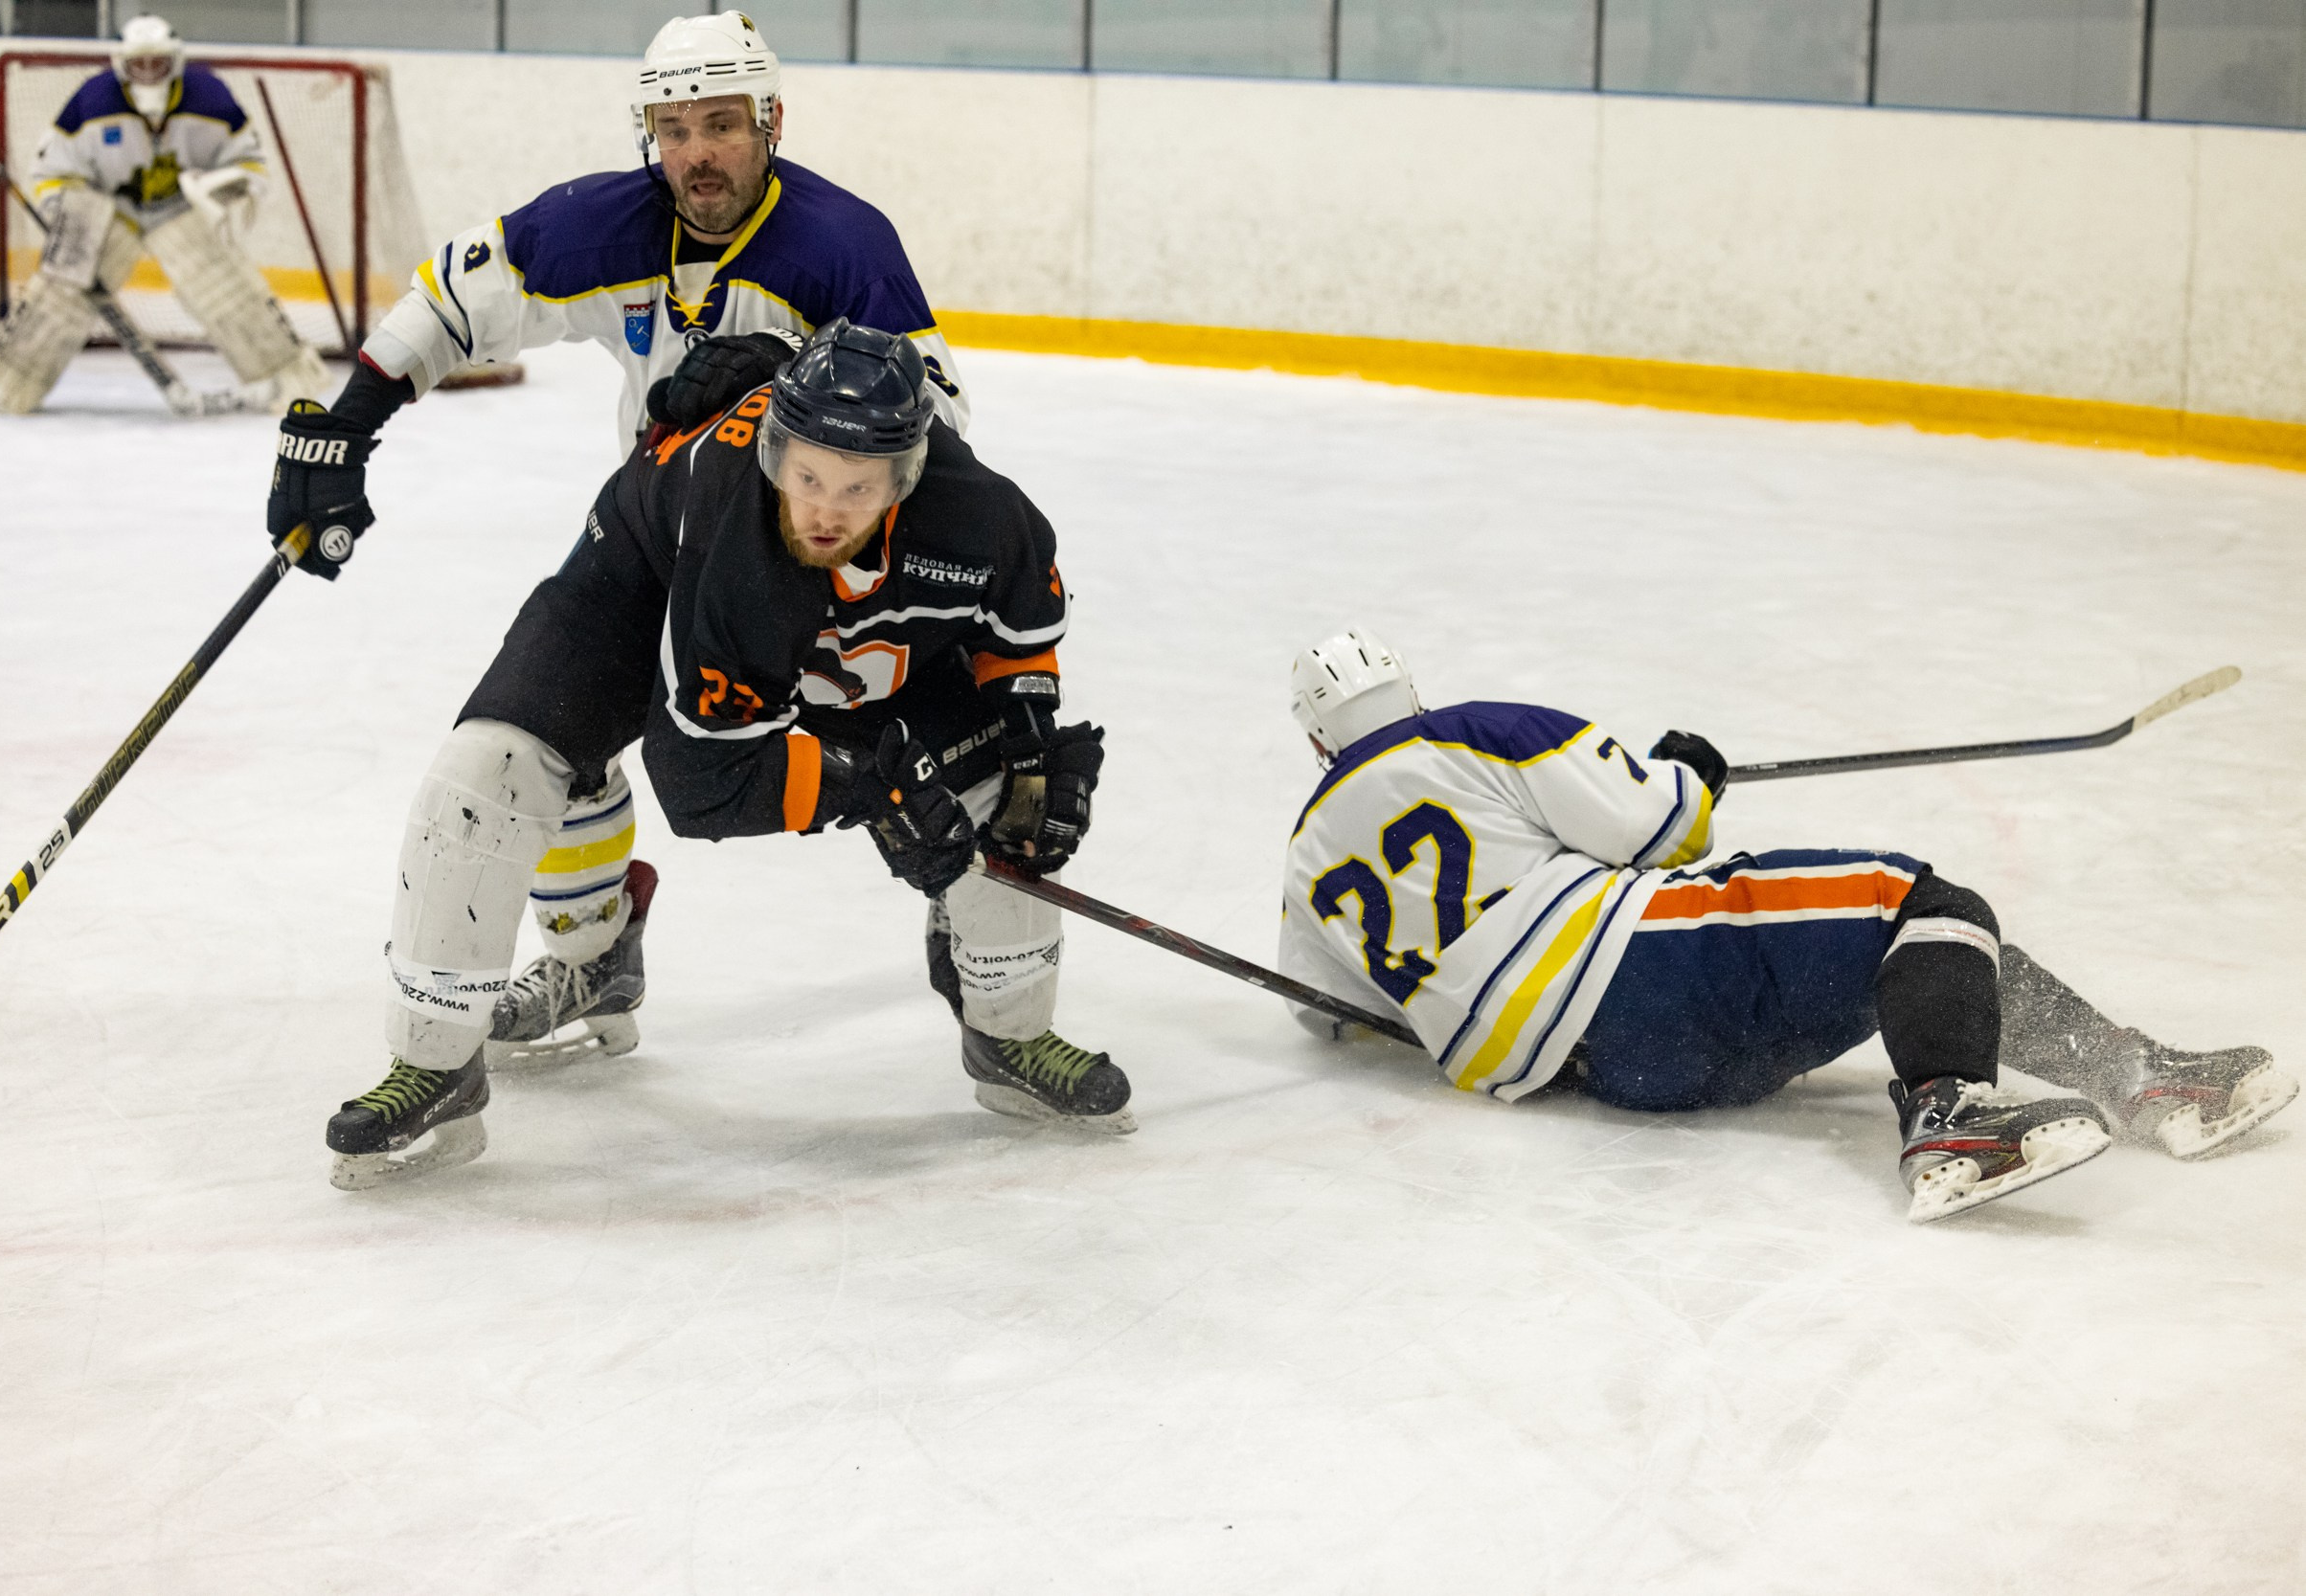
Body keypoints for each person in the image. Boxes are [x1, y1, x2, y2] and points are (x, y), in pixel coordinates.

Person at [318, 320, 1122, 1189]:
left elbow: (1020, 641)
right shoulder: (737, 528)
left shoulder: (982, 516)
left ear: (906, 475)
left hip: (849, 641)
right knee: (484, 777)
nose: (825, 511)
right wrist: (870, 790)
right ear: (776, 451)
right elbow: (699, 779)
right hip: (642, 588)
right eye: (807, 477)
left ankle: (1011, 1032)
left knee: (1007, 796)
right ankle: (434, 1061)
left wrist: (1031, 755)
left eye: (857, 487)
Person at [1277, 629, 2294, 1223]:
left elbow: (1325, 1009)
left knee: (1922, 959)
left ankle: (2134, 1072)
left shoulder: (1307, 853)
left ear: (1319, 739)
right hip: (1651, 973)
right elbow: (1655, 826)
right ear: (1407, 688)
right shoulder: (1475, 731)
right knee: (1922, 904)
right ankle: (1952, 1117)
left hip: (1619, 1072)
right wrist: (1687, 771)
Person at [265, 11, 970, 584]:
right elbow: (453, 298)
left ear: (771, 120)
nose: (696, 154)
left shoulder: (846, 247)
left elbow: (938, 415)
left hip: (800, 553)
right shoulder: (598, 228)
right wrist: (349, 427)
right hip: (647, 525)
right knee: (519, 717)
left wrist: (784, 362)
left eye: (721, 125)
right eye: (674, 130)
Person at [0, 14, 329, 415]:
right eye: (137, 64)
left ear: (175, 62)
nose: (147, 72)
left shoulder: (210, 99)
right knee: (60, 296)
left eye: (157, 63)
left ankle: (290, 380)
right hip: (109, 213)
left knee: (227, 291)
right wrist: (67, 214)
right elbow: (51, 170)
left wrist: (219, 188)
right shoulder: (92, 101)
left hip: (179, 209)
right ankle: (7, 385)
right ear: (121, 64)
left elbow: (250, 165)